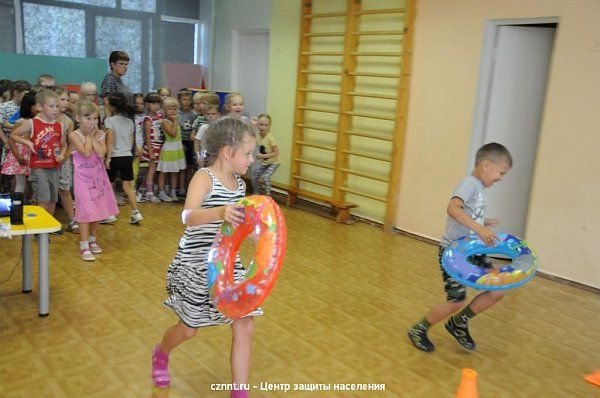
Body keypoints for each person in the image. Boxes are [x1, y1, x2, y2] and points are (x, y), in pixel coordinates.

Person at [152, 117, 259, 398]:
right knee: (188, 329)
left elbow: (235, 226)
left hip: (226, 262)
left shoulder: (239, 185)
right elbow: (188, 216)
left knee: (245, 323)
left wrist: (258, 237)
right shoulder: (204, 177)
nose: (251, 159)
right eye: (247, 153)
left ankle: (239, 393)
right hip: (195, 263)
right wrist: (221, 212)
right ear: (227, 152)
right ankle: (161, 353)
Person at [407, 143, 513, 353]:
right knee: (455, 301)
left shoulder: (479, 187)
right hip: (454, 253)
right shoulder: (469, 184)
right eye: (500, 173)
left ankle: (458, 323)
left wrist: (482, 222)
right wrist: (479, 229)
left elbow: (468, 213)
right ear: (486, 165)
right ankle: (418, 329)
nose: (500, 178)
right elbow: (452, 208)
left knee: (497, 289)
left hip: (473, 249)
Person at [69, 101, 118, 261]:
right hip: (82, 180)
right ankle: (84, 246)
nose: (92, 122)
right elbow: (85, 151)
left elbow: (102, 152)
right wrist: (89, 135)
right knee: (85, 211)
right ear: (78, 118)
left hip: (98, 178)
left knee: (97, 209)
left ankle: (92, 239)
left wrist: (93, 136)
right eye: (88, 118)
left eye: (95, 119)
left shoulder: (99, 135)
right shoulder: (74, 135)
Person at [10, 89, 67, 217]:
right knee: (43, 200)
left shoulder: (60, 126)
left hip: (55, 168)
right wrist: (28, 143)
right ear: (40, 107)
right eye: (51, 106)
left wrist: (62, 154)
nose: (55, 109)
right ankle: (38, 230)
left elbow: (64, 145)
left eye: (57, 106)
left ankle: (47, 229)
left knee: (53, 200)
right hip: (39, 167)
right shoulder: (33, 123)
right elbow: (14, 135)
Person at [104, 92, 143, 224]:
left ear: (112, 107)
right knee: (128, 186)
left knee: (108, 185)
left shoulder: (109, 121)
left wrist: (108, 158)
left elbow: (110, 141)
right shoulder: (129, 122)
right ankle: (136, 212)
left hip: (115, 156)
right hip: (127, 157)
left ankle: (110, 214)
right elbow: (132, 142)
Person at [1, 91, 36, 195]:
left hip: (33, 154)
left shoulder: (39, 121)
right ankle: (18, 206)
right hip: (21, 154)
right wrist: (18, 156)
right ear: (29, 106)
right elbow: (12, 140)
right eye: (36, 105)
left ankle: (32, 203)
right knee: (21, 183)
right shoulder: (20, 121)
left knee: (34, 182)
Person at [55, 86, 77, 234]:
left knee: (65, 190)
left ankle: (72, 220)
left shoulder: (68, 121)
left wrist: (65, 157)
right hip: (45, 162)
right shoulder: (43, 118)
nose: (66, 103)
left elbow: (71, 144)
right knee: (46, 193)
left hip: (64, 161)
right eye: (62, 99)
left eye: (67, 100)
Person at [156, 97, 186, 202]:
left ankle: (173, 192)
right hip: (169, 149)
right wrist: (175, 121)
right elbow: (172, 134)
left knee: (175, 172)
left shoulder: (175, 121)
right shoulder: (165, 121)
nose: (172, 111)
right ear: (165, 110)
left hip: (177, 149)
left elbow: (178, 135)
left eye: (174, 109)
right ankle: (161, 192)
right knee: (163, 171)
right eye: (169, 109)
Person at [141, 92, 164, 203]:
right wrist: (150, 152)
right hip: (152, 147)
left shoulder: (160, 117)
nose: (156, 106)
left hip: (159, 146)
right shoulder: (147, 119)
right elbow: (147, 138)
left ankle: (144, 189)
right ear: (147, 104)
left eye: (157, 103)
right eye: (153, 103)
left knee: (153, 170)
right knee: (152, 170)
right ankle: (150, 193)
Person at [251, 114, 280, 196]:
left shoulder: (270, 138)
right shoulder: (257, 135)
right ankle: (256, 193)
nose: (263, 127)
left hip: (274, 163)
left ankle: (268, 197)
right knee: (254, 175)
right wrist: (253, 125)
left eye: (266, 125)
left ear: (269, 126)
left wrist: (263, 156)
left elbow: (276, 152)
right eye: (261, 124)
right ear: (257, 125)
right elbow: (250, 137)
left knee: (265, 177)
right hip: (264, 163)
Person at [101, 50, 132, 118]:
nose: (125, 67)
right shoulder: (109, 79)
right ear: (113, 64)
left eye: (126, 64)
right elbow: (107, 104)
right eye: (121, 63)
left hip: (126, 119)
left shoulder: (119, 80)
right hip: (117, 122)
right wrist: (109, 124)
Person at [177, 89, 196, 197]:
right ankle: (180, 189)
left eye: (189, 99)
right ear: (179, 100)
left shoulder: (193, 115)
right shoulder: (177, 113)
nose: (186, 102)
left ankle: (189, 188)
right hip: (180, 142)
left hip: (190, 142)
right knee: (181, 167)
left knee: (190, 167)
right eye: (184, 99)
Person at [193, 104, 220, 168]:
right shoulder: (204, 127)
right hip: (205, 155)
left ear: (218, 114)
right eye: (208, 114)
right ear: (205, 115)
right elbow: (196, 142)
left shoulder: (220, 127)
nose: (211, 116)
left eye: (213, 114)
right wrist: (198, 156)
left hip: (217, 155)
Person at [132, 93, 147, 201]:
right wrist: (136, 148)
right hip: (135, 146)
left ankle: (139, 190)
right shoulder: (132, 117)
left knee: (142, 170)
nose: (139, 105)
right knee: (134, 170)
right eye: (137, 103)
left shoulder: (145, 117)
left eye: (142, 103)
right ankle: (132, 191)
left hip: (142, 145)